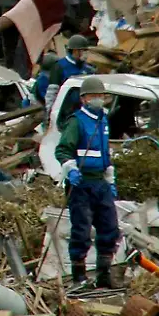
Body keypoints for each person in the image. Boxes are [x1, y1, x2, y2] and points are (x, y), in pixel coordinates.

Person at [55, 75, 119, 287]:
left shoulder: (103, 120)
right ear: (84, 99)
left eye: (101, 95)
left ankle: (103, 275)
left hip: (100, 183)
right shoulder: (76, 121)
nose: (98, 99)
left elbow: (105, 153)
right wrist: (70, 170)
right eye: (94, 96)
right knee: (81, 230)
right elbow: (63, 150)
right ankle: (79, 276)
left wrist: (110, 179)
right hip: (81, 184)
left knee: (109, 227)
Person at [48, 35, 95, 125]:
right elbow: (52, 93)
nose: (86, 53)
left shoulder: (88, 69)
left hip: (83, 113)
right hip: (65, 114)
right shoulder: (59, 67)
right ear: (75, 51)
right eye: (83, 51)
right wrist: (51, 115)